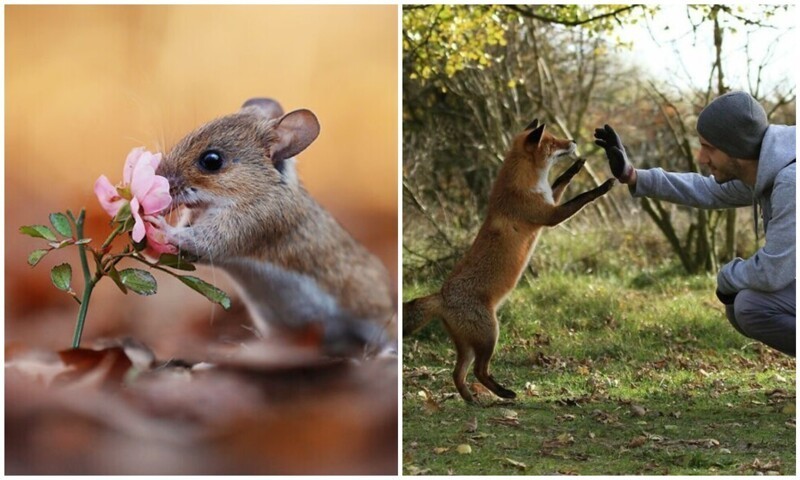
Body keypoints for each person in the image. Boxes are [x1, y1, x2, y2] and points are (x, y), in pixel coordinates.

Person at [594, 91, 796, 356]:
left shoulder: (791, 181)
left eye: (709, 148)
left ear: (736, 147)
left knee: (751, 306)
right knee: (742, 305)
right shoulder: (766, 169)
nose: (701, 158)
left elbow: (773, 272)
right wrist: (633, 176)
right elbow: (709, 191)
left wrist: (727, 277)